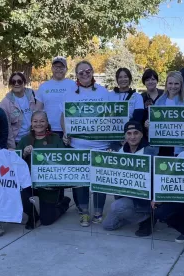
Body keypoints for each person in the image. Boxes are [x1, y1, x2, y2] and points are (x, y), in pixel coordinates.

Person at [60, 60, 112, 227]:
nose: (84, 74)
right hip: (78, 145)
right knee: (80, 181)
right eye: (81, 72)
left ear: (92, 71)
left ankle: (98, 211)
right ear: (76, 75)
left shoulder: (104, 93)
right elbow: (64, 117)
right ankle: (83, 212)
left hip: (101, 145)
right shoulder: (70, 94)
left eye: (87, 71)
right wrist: (66, 132)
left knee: (99, 181)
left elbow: (111, 118)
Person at [16, 111, 71, 228]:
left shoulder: (55, 139)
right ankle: (32, 215)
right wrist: (24, 154)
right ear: (31, 123)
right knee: (17, 190)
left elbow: (64, 160)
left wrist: (66, 144)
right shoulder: (25, 140)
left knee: (46, 220)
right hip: (29, 183)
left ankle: (63, 203)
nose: (38, 124)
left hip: (48, 185)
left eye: (42, 121)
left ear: (47, 123)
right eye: (35, 121)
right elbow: (15, 162)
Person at [102, 120, 158, 234]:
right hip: (125, 196)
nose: (132, 137)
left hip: (143, 200)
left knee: (117, 207)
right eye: (129, 133)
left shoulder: (150, 152)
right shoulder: (120, 151)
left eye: (136, 133)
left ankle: (147, 218)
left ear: (142, 134)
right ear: (125, 135)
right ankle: (130, 215)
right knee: (108, 226)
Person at [148, 71, 184, 157]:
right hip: (162, 147)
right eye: (170, 83)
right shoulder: (159, 102)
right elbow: (154, 125)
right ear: (166, 84)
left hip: (180, 149)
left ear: (181, 85)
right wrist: (149, 123)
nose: (173, 86)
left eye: (176, 84)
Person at [35, 56, 77, 138]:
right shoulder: (44, 87)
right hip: (48, 129)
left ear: (66, 69)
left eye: (61, 67)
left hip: (68, 129)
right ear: (52, 68)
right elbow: (38, 110)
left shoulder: (73, 85)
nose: (59, 69)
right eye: (56, 67)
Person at [0, 72, 37, 148]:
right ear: (10, 84)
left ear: (24, 83)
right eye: (13, 82)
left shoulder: (34, 95)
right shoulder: (5, 103)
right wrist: (12, 147)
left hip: (34, 139)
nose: (16, 84)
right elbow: (6, 127)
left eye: (19, 81)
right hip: (18, 141)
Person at [141, 69, 163, 136]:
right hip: (146, 135)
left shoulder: (164, 95)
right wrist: (144, 124)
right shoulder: (141, 98)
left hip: (163, 132)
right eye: (147, 80)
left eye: (153, 79)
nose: (150, 82)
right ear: (144, 82)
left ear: (157, 81)